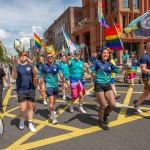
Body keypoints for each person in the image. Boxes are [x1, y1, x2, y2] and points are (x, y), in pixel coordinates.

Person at [91, 47, 119, 130]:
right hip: (99, 85)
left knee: (113, 105)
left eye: (107, 53)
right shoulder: (97, 62)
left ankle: (105, 114)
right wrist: (89, 70)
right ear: (101, 54)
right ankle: (101, 121)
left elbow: (118, 71)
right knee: (103, 105)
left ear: (109, 55)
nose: (105, 54)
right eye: (104, 53)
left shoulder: (110, 64)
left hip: (107, 85)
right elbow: (91, 70)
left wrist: (125, 66)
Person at [12, 52, 38, 132]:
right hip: (21, 90)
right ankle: (22, 119)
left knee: (30, 107)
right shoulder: (18, 66)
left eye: (24, 55)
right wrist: (14, 65)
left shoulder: (30, 65)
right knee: (23, 109)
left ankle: (30, 124)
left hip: (30, 89)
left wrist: (33, 64)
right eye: (21, 55)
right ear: (19, 57)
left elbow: (36, 73)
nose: (22, 56)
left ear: (27, 56)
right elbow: (14, 77)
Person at [40, 53, 63, 124]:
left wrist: (62, 76)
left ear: (53, 58)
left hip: (56, 86)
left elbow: (60, 73)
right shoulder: (44, 67)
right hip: (48, 85)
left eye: (51, 57)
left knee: (53, 101)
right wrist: (41, 86)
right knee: (51, 101)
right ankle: (53, 118)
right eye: (48, 57)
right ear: (46, 59)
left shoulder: (56, 65)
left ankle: (51, 109)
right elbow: (42, 78)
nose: (50, 58)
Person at [134, 42, 150, 113]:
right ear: (148, 47)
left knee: (145, 93)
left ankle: (136, 105)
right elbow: (143, 69)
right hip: (147, 78)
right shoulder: (144, 57)